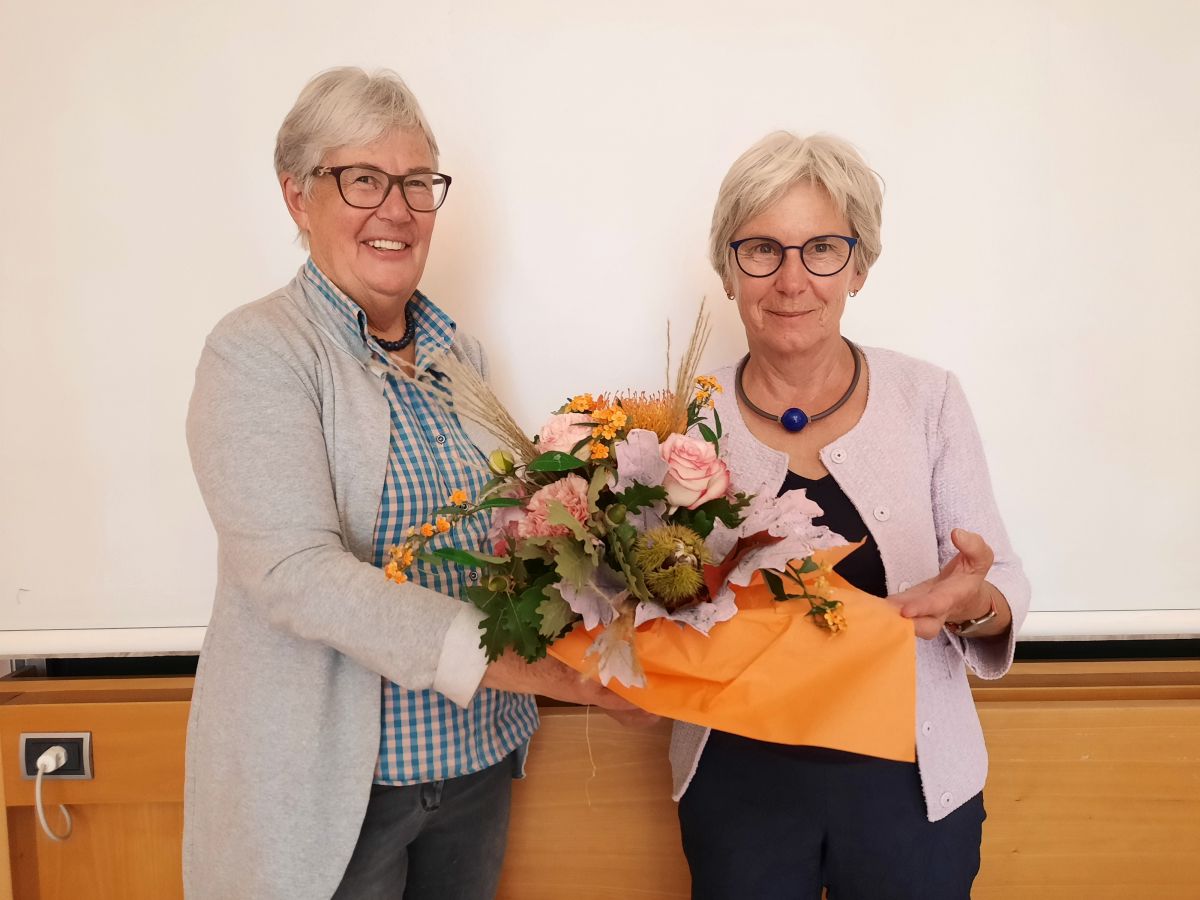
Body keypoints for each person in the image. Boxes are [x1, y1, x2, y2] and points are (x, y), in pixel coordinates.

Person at [184, 67, 640, 900]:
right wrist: (537, 670)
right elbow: (295, 575)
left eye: (417, 182)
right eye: (363, 179)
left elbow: (507, 544)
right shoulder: (256, 352)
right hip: (337, 792)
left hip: (473, 766)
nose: (396, 209)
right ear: (297, 196)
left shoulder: (460, 357)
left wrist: (625, 573)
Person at [673, 132, 1031, 899]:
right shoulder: (684, 416)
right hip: (739, 787)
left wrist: (972, 601)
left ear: (858, 267)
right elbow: (648, 603)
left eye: (822, 249)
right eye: (761, 249)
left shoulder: (928, 398)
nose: (791, 279)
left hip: (911, 785)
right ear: (728, 270)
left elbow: (1000, 579)